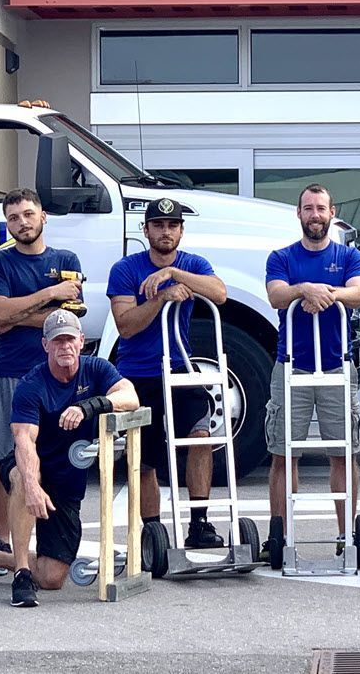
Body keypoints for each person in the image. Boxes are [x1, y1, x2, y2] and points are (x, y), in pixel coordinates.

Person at [0, 310, 140, 607]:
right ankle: (21, 576)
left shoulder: (97, 370)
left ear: (81, 341)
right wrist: (31, 484)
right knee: (23, 476)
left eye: (69, 339)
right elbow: (24, 441)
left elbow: (131, 397)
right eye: (57, 341)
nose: (64, 346)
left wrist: (90, 406)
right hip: (29, 465)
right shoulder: (32, 384)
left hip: (66, 480)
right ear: (45, 346)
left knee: (53, 578)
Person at [0, 188, 83, 579]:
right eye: (13, 218)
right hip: (11, 371)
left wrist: (18, 313)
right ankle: (2, 542)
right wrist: (48, 298)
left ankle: (35, 544)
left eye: (28, 214)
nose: (21, 223)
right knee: (4, 457)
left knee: (49, 455)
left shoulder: (66, 260)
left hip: (58, 376)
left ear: (43, 216)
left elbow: (71, 317)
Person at [108, 197, 228, 548]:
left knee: (201, 437)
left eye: (172, 225)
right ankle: (153, 531)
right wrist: (161, 297)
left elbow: (219, 293)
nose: (165, 232)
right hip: (137, 373)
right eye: (158, 225)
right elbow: (125, 326)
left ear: (180, 231)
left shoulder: (193, 263)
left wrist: (173, 273)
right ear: (145, 230)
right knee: (144, 458)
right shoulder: (126, 269)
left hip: (179, 368)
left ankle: (200, 523)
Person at [264, 183, 360, 555]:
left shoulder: (349, 256)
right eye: (308, 208)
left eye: (320, 208)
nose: (314, 215)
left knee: (343, 453)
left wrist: (324, 293)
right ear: (299, 214)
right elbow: (276, 294)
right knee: (283, 453)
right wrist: (304, 288)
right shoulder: (281, 257)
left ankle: (348, 535)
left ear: (332, 212)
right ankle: (280, 536)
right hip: (290, 367)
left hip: (337, 368)